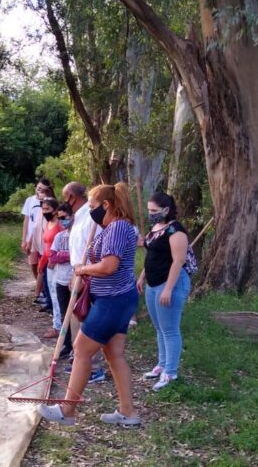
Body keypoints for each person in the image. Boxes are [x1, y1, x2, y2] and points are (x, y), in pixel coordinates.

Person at [39, 183, 141, 427]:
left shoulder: (117, 228)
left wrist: (82, 269)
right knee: (114, 354)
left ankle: (67, 410)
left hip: (113, 300)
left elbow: (108, 266)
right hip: (120, 298)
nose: (91, 211)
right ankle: (128, 413)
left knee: (82, 348)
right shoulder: (116, 227)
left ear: (107, 205)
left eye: (94, 207)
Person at [137, 192, 192, 391]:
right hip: (153, 282)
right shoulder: (156, 228)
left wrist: (168, 288)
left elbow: (178, 261)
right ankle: (162, 365)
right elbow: (152, 255)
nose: (150, 214)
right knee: (159, 327)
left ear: (166, 210)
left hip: (170, 283)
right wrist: (142, 277)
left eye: (154, 211)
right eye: (149, 210)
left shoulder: (175, 231)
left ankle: (171, 372)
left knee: (170, 328)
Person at [62, 181, 105, 383]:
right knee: (75, 318)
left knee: (87, 319)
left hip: (89, 274)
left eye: (65, 197)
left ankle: (94, 366)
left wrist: (85, 272)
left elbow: (95, 248)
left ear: (73, 196)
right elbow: (77, 249)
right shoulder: (78, 218)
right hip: (77, 272)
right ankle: (78, 360)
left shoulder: (91, 219)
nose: (64, 202)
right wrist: (74, 273)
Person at [48, 202, 75, 358]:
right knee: (65, 313)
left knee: (76, 314)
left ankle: (76, 346)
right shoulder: (60, 236)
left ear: (72, 216)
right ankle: (67, 343)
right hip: (61, 279)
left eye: (64, 217)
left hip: (75, 278)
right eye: (60, 218)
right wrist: (67, 256)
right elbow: (52, 256)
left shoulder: (77, 234)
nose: (62, 221)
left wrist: (63, 256)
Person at [38, 197, 64, 338]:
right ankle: (56, 324)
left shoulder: (60, 225)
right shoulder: (48, 224)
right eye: (43, 209)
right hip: (47, 263)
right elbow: (46, 247)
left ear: (55, 210)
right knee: (51, 295)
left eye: (47, 209)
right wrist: (42, 263)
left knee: (56, 296)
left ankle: (58, 327)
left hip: (57, 264)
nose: (44, 212)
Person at [21, 178, 52, 286]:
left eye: (42, 190)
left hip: (45, 236)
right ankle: (41, 286)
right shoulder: (30, 200)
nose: (39, 191)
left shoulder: (49, 201)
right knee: (33, 264)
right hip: (31, 237)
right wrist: (24, 239)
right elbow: (26, 220)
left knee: (43, 263)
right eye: (38, 188)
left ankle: (43, 289)